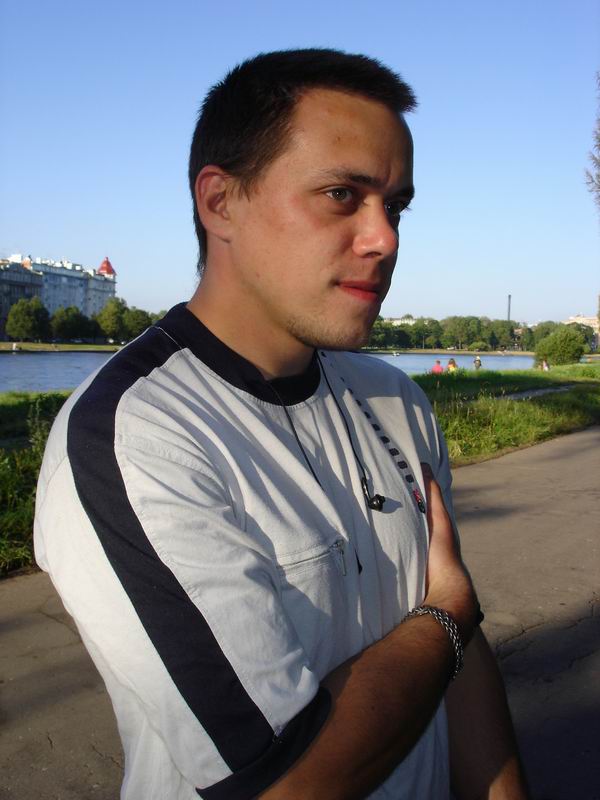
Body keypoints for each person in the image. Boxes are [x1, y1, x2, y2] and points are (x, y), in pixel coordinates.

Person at [34, 49, 529, 800]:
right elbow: (284, 784)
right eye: (341, 195)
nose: (385, 238)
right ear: (220, 202)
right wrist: (449, 615)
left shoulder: (396, 401)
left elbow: (458, 665)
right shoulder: (135, 440)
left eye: (396, 206)